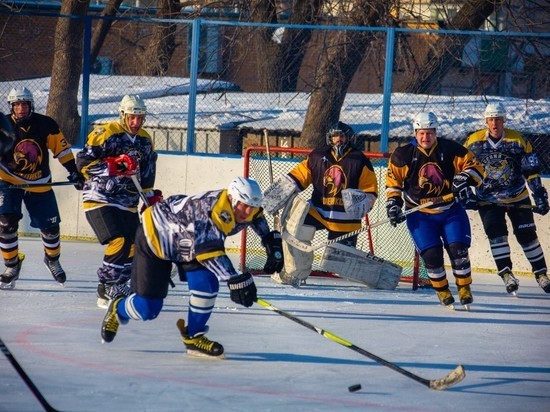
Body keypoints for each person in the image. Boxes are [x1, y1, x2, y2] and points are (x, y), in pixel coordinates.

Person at [100, 177, 284, 359]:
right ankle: (118, 307)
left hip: (189, 240)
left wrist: (269, 239)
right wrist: (234, 279)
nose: (247, 211)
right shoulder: (211, 212)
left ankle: (193, 337)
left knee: (207, 284)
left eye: (251, 206)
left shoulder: (245, 208)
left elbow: (257, 215)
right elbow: (210, 251)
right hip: (156, 237)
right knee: (147, 309)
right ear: (232, 198)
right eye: (244, 205)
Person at [385, 112, 484, 309]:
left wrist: (464, 179)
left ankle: (464, 288)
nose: (425, 137)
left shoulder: (451, 149)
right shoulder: (402, 155)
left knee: (459, 250)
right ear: (415, 133)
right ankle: (443, 291)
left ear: (435, 132)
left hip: (450, 211)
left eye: (429, 133)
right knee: (431, 255)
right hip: (419, 214)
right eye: (422, 133)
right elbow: (393, 183)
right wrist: (393, 205)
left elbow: (477, 168)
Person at [264, 121, 378, 287]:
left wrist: (365, 202)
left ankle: (372, 273)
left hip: (345, 220)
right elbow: (297, 177)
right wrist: (274, 196)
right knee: (295, 230)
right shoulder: (317, 156)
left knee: (338, 264)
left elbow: (371, 191)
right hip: (318, 211)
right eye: (334, 136)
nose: (338, 139)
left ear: (349, 138)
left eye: (341, 135)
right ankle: (295, 272)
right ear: (329, 138)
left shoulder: (360, 160)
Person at [76, 95, 161, 308]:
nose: (136, 123)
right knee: (119, 241)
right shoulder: (106, 133)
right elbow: (83, 163)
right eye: (132, 118)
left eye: (140, 118)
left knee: (135, 244)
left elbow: (147, 173)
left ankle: (121, 285)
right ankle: (105, 288)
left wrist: (150, 197)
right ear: (123, 115)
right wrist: (114, 166)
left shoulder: (144, 139)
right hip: (100, 198)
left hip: (128, 202)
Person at [0, 87, 85, 290]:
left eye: (24, 104)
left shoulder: (45, 124)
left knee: (50, 228)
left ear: (31, 105)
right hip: (8, 182)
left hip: (39, 183)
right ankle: (12, 266)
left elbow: (61, 149)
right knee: (6, 223)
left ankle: (52, 260)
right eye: (17, 105)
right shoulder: (3, 125)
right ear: (11, 106)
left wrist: (73, 170)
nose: (21, 108)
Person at [464, 102, 549, 295]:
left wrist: (540, 196)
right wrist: (467, 195)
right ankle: (506, 273)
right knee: (496, 236)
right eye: (491, 120)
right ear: (486, 121)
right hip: (488, 200)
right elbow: (462, 171)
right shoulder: (473, 142)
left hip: (517, 196)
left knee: (527, 236)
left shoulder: (518, 140)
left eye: (498, 119)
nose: (495, 124)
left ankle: (541, 274)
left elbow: (532, 171)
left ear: (504, 120)